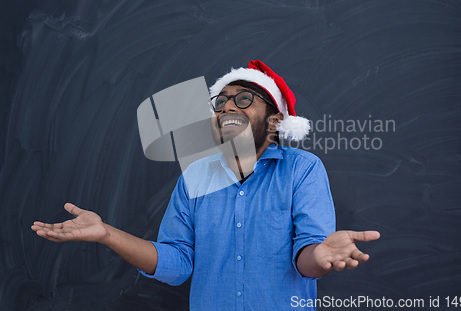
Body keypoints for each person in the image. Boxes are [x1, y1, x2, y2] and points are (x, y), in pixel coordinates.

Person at [32, 60, 380, 310]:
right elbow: (178, 263)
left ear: (275, 120)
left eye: (244, 99)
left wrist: (319, 255)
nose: (228, 105)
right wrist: (106, 233)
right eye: (221, 100)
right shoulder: (194, 178)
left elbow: (305, 260)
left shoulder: (302, 170)